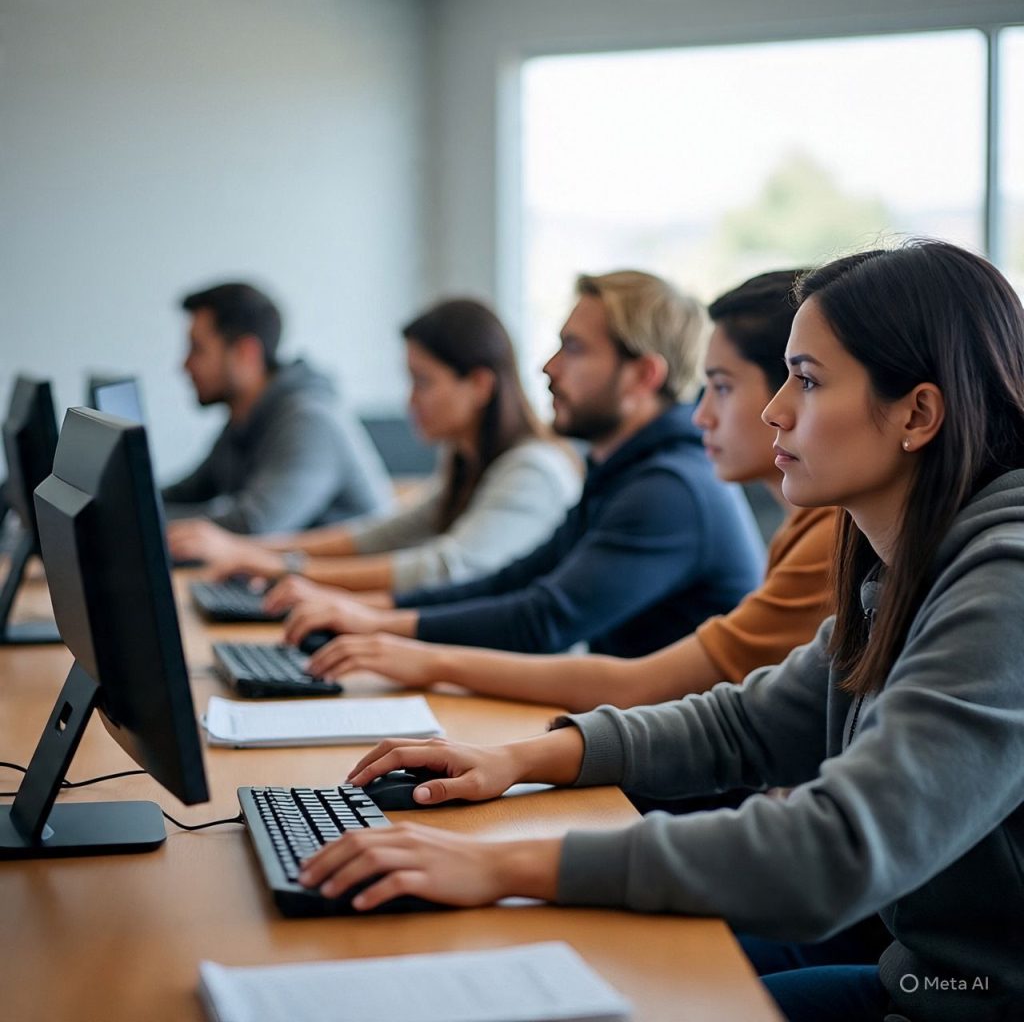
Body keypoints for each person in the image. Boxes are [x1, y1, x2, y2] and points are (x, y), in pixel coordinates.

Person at [297, 241, 1024, 1022]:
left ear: (917, 413)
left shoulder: (1004, 585)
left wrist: (502, 864)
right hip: (917, 982)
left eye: (806, 381)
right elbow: (748, 720)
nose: (775, 408)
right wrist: (517, 759)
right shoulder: (897, 562)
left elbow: (835, 850)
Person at [301, 270, 838, 710]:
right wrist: (381, 620)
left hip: (667, 779)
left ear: (641, 376)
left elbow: (547, 620)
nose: (547, 367)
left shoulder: (670, 488)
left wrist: (399, 636)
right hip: (647, 749)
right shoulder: (623, 471)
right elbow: (520, 579)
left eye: (574, 349)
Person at [167, 299, 581, 593]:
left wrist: (281, 565)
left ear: (479, 385)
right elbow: (381, 535)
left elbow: (446, 568)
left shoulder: (531, 471)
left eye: (423, 382)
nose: (409, 401)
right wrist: (255, 554)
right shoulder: (465, 459)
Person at [162, 281, 392, 534]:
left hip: (338, 571)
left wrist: (141, 524)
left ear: (245, 352)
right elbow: (188, 493)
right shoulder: (245, 418)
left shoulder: (308, 420)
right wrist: (127, 505)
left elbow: (254, 526)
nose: (184, 365)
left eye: (198, 350)